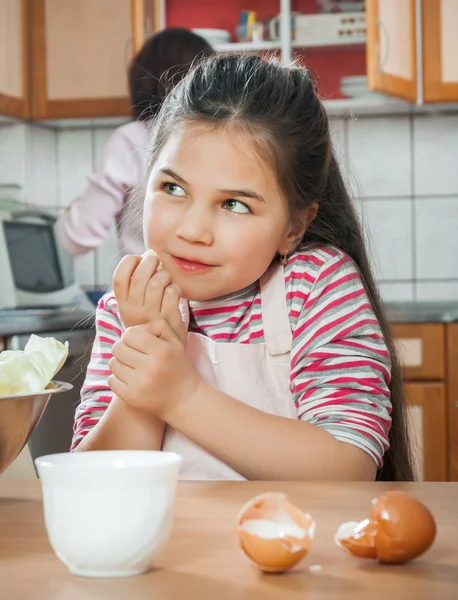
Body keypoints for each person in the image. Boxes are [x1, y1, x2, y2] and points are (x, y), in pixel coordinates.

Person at [72, 53, 413, 482]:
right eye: (172, 187)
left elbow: (348, 469)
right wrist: (143, 370)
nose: (193, 230)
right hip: (170, 550)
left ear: (293, 226)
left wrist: (180, 395)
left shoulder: (313, 286)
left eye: (234, 204)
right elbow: (90, 486)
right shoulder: (129, 306)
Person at [55, 28, 214, 257]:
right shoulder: (227, 139)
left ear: (142, 79)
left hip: (146, 287)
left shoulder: (132, 139)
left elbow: (79, 237)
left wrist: (71, 214)